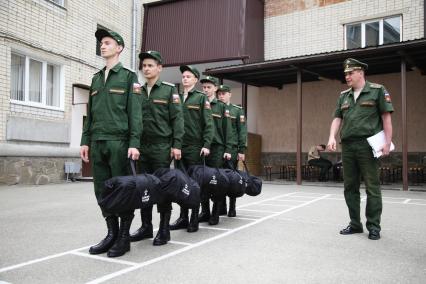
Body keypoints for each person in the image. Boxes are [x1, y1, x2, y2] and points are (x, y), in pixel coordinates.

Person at [80, 28, 142, 257]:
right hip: (97, 142)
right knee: (102, 191)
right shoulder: (96, 78)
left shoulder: (128, 77)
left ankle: (124, 237)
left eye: (107, 43)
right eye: (101, 43)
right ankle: (111, 233)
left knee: (122, 190)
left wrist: (134, 143)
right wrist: (85, 140)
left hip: (120, 143)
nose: (102, 46)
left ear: (119, 47)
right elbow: (91, 113)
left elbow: (135, 114)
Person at [327, 58, 394, 240]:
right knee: (350, 186)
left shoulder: (377, 91)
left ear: (361, 72)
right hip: (348, 146)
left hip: (368, 146)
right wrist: (332, 136)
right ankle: (355, 224)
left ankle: (374, 226)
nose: (347, 76)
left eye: (350, 73)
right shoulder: (344, 96)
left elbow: (386, 117)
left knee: (372, 187)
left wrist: (388, 142)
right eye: (345, 74)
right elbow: (337, 118)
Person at [129, 50, 184, 246]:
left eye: (150, 65)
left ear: (159, 68)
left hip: (162, 147)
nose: (146, 68)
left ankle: (163, 229)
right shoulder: (138, 91)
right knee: (144, 187)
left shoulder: (169, 90)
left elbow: (178, 119)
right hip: (142, 147)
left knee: (161, 187)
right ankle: (145, 227)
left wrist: (176, 144)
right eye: (144, 65)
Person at [169, 65, 214, 233]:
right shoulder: (176, 97)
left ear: (195, 79)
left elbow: (209, 124)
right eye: (183, 76)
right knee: (181, 183)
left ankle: (194, 217)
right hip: (179, 147)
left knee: (194, 184)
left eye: (189, 76)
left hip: (195, 147)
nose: (185, 79)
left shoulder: (201, 98)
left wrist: (206, 145)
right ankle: (183, 217)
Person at [200, 76, 232, 225]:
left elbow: (228, 130)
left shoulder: (221, 106)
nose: (206, 90)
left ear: (215, 88)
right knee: (202, 181)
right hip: (201, 148)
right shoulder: (199, 102)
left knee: (216, 181)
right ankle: (204, 211)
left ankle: (216, 212)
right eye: (204, 87)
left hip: (217, 149)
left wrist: (227, 149)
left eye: (209, 87)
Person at [217, 84, 247, 217]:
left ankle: (232, 206)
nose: (221, 96)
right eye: (219, 94)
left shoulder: (237, 110)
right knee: (219, 179)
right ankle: (221, 206)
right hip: (218, 149)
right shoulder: (215, 108)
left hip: (233, 149)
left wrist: (242, 150)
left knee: (232, 179)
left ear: (230, 94)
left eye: (224, 93)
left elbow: (242, 132)